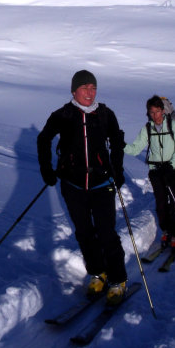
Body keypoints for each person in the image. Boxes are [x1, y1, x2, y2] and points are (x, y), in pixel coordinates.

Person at [37, 70, 128, 305]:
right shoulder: (63, 115)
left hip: (102, 184)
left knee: (106, 232)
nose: (90, 92)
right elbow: (43, 139)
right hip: (73, 185)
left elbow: (117, 141)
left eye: (93, 87)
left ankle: (118, 279)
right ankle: (98, 273)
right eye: (85, 87)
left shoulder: (105, 114)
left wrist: (117, 170)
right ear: (74, 90)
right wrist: (47, 169)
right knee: (84, 232)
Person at [124, 95, 175, 248]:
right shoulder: (147, 128)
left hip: (173, 170)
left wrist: (172, 165)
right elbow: (135, 149)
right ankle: (166, 230)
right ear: (148, 113)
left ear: (163, 111)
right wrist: (121, 144)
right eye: (152, 112)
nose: (155, 115)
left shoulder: (173, 126)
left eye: (158, 111)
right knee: (161, 204)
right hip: (156, 171)